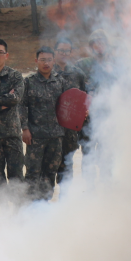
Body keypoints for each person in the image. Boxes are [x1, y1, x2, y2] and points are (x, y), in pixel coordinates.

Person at [20, 47, 66, 200]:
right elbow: (22, 105)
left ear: (54, 61)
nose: (46, 63)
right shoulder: (29, 82)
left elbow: (68, 106)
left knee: (50, 174)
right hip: (36, 137)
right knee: (33, 174)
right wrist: (25, 128)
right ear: (36, 61)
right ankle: (28, 209)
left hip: (55, 136)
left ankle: (44, 209)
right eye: (42, 60)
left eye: (49, 60)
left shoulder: (60, 81)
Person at [75, 29, 113, 181]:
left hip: (107, 117)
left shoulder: (113, 65)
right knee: (89, 155)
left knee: (107, 155)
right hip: (88, 119)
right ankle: (89, 191)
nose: (99, 46)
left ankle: (107, 189)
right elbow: (74, 89)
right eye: (96, 43)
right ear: (91, 46)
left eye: (102, 42)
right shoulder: (82, 65)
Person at [0, 38, 25, 186]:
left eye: (0, 53)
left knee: (16, 176)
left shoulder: (15, 76)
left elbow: (15, 98)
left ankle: (19, 209)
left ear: (6, 55)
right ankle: (1, 209)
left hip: (12, 135)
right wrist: (3, 103)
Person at [53, 38, 85, 183]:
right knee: (50, 164)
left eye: (67, 50)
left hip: (70, 130)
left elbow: (84, 98)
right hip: (51, 128)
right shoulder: (48, 71)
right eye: (61, 50)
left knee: (67, 163)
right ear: (55, 51)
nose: (64, 53)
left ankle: (66, 198)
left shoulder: (78, 74)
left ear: (71, 52)